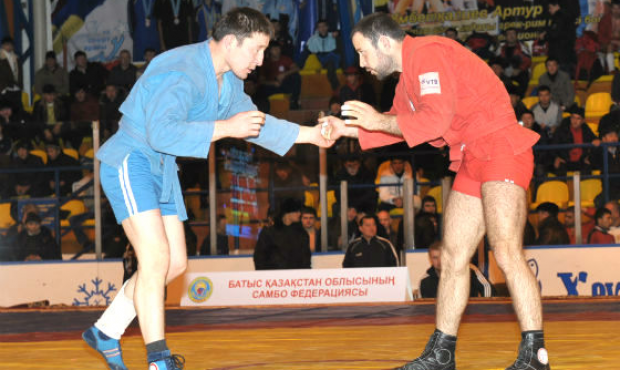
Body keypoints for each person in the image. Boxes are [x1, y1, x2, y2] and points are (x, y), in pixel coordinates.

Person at [81, 8, 332, 370]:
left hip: (161, 167)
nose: (261, 61)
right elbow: (161, 133)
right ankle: (158, 359)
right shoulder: (180, 69)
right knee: (154, 260)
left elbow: (254, 123)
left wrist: (313, 136)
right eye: (256, 50)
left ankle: (106, 330)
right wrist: (226, 128)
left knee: (175, 263)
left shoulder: (227, 80)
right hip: (131, 159)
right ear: (231, 42)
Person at [319, 13, 548, 370]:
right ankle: (442, 354)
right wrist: (347, 130)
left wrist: (377, 120)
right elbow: (396, 124)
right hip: (471, 154)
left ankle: (535, 355)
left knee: (505, 250)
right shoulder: (406, 80)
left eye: (363, 53)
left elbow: (433, 121)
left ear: (383, 42)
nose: (360, 63)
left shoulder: (428, 53)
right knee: (453, 256)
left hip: (501, 146)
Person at [419, 242, 494, 299]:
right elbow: (421, 308)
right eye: (435, 257)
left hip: (468, 317)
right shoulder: (425, 281)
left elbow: (487, 287)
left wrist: (484, 307)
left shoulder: (468, 271)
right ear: (430, 259)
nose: (439, 261)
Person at [253, 198, 311, 270]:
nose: (299, 214)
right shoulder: (269, 233)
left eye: (299, 211)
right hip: (273, 277)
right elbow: (259, 257)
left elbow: (306, 259)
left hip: (295, 277)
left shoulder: (302, 234)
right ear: (287, 213)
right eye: (296, 211)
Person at [551, 105, 600, 176]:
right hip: (565, 161)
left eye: (578, 118)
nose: (575, 121)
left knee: (588, 168)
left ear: (583, 120)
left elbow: (595, 140)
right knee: (560, 170)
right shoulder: (562, 129)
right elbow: (553, 146)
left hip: (581, 161)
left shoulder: (585, 129)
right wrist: (556, 157)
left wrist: (589, 156)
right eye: (573, 117)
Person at [258, 41, 301, 109]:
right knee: (262, 89)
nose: (277, 51)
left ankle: (294, 101)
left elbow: (296, 68)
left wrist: (284, 74)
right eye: (274, 49)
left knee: (296, 76)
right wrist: (273, 83)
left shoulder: (285, 59)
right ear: (270, 51)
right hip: (272, 87)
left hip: (284, 85)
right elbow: (261, 81)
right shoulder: (266, 63)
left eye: (278, 49)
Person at [305, 19, 341, 92]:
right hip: (321, 59)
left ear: (327, 27)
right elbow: (308, 50)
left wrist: (338, 33)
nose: (322, 29)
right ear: (318, 29)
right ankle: (336, 87)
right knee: (329, 64)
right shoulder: (313, 39)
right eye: (320, 27)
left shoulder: (333, 36)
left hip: (333, 58)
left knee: (332, 61)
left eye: (324, 26)